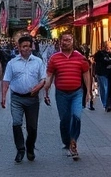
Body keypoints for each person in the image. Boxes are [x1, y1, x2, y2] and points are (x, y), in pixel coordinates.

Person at [44, 32, 91, 161]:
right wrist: (46, 92)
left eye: (69, 40)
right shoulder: (55, 58)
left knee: (76, 117)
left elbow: (86, 74)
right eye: (64, 40)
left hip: (77, 92)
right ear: (60, 42)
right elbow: (49, 76)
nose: (66, 42)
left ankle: (73, 142)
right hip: (61, 94)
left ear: (73, 41)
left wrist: (89, 92)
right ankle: (66, 141)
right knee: (64, 119)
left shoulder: (80, 58)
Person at [0, 35, 47, 163]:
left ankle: (30, 147)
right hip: (16, 98)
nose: (26, 48)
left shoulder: (38, 61)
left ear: (32, 47)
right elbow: (6, 81)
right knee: (16, 123)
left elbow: (43, 79)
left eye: (28, 46)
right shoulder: (12, 63)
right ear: (19, 48)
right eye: (23, 46)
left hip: (32, 99)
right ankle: (20, 149)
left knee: (32, 127)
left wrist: (38, 87)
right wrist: (4, 96)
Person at [93, 41, 111, 112]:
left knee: (107, 89)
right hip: (102, 73)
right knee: (105, 88)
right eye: (109, 47)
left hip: (109, 73)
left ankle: (107, 104)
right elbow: (103, 62)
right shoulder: (100, 54)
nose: (110, 48)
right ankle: (105, 104)